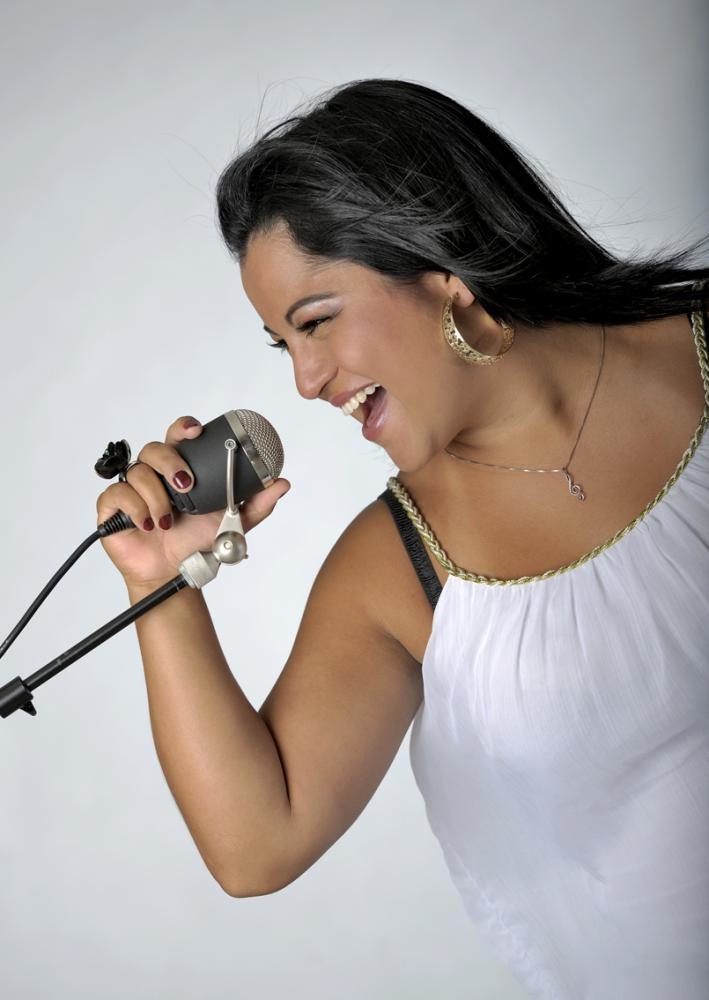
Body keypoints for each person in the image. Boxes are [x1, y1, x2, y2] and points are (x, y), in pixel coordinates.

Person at [97, 79, 709, 999]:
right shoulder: (397, 569)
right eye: (283, 345)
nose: (306, 381)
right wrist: (158, 584)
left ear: (439, 263)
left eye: (315, 322)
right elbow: (257, 845)